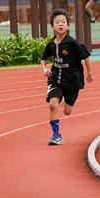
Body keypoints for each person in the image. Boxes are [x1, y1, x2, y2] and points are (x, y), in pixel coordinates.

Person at [41, 9, 94, 145]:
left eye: (63, 22)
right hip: (55, 79)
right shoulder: (51, 44)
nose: (60, 24)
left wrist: (89, 74)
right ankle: (56, 135)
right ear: (52, 26)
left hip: (72, 80)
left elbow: (86, 57)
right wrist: (44, 68)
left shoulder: (73, 43)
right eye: (57, 22)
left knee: (67, 111)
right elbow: (44, 58)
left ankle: (65, 99)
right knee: (53, 105)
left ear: (68, 26)